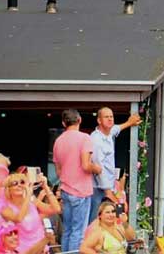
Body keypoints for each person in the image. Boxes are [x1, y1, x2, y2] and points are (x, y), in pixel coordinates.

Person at [53, 108, 99, 253]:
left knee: (68, 230)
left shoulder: (58, 141)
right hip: (81, 191)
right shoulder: (84, 138)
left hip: (65, 189)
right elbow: (86, 165)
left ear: (63, 123)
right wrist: (97, 168)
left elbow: (58, 170)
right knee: (78, 232)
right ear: (79, 120)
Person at [88, 107, 141, 220]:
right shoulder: (96, 139)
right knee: (95, 220)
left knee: (109, 219)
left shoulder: (108, 133)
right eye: (106, 117)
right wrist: (108, 191)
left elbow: (116, 129)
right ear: (99, 120)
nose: (110, 119)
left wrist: (129, 123)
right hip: (98, 188)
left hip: (108, 187)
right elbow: (98, 166)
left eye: (111, 116)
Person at [0, 171, 58, 254]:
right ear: (8, 189)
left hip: (41, 249)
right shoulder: (4, 207)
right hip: (21, 251)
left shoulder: (32, 201)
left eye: (22, 182)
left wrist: (46, 187)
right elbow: (19, 218)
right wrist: (28, 195)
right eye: (15, 183)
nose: (19, 185)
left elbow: (55, 209)